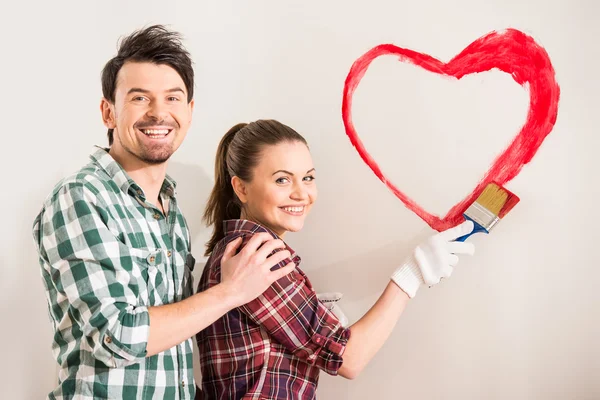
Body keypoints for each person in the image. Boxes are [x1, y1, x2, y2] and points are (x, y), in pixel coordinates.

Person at [32, 26, 296, 400]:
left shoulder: (170, 210)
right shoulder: (82, 197)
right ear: (108, 112)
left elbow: (172, 348)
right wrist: (231, 292)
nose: (159, 113)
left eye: (173, 98)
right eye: (140, 98)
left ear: (188, 111)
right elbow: (117, 337)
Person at [195, 119, 476, 399]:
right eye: (282, 179)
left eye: (308, 178)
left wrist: (312, 310)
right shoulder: (258, 258)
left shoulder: (236, 249)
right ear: (241, 188)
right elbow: (350, 359)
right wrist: (411, 274)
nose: (301, 193)